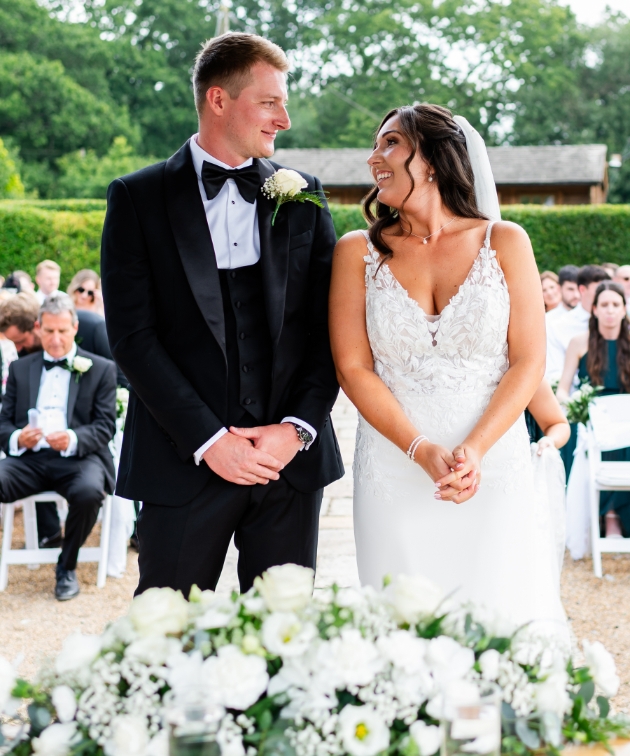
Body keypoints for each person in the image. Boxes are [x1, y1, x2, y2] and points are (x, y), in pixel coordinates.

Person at [101, 32, 343, 597]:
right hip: (180, 461)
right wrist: (210, 440)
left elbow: (331, 329)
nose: (284, 119)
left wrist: (296, 429)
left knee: (284, 647)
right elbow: (134, 339)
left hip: (288, 465)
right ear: (218, 99)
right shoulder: (137, 198)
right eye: (269, 101)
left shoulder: (302, 194)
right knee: (167, 640)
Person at [329, 104, 565, 629]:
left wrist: (475, 450)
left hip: (492, 465)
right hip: (393, 466)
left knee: (501, 615)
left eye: (390, 143)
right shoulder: (356, 252)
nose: (374, 158)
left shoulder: (505, 242)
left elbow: (528, 361)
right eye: (377, 145)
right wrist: (419, 448)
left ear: (433, 160)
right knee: (403, 621)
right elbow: (352, 368)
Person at [0, 293, 116, 600]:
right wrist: (17, 438)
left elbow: (106, 426)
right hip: (28, 462)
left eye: (62, 331)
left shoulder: (100, 369)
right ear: (37, 327)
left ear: (75, 327)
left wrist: (74, 438)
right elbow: (3, 425)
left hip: (79, 459)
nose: (55, 339)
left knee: (89, 492)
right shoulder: (21, 369)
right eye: (49, 331)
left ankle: (67, 566)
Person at [558, 281, 630, 539]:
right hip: (594, 421)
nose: (610, 310)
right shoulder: (579, 343)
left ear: (624, 309)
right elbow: (562, 389)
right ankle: (608, 521)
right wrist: (577, 407)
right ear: (595, 310)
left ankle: (619, 519)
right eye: (604, 305)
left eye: (616, 305)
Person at [545, 265, 610, 382]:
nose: (604, 295)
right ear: (582, 290)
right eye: (598, 290)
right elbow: (554, 373)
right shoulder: (558, 326)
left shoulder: (616, 324)